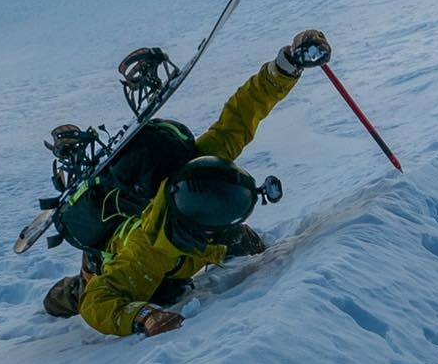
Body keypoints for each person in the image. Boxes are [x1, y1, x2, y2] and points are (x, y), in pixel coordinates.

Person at [42, 29, 331, 336]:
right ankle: (71, 286)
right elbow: (96, 302)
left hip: (177, 235)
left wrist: (287, 67)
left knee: (240, 241)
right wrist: (143, 316)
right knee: (147, 292)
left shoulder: (202, 167)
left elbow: (242, 113)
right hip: (122, 258)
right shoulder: (148, 249)